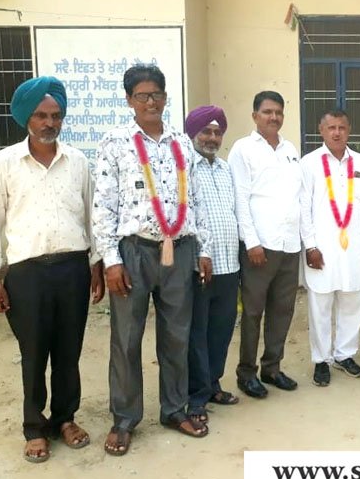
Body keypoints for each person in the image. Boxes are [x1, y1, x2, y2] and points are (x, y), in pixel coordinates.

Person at [0, 76, 104, 463]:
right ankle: (34, 427)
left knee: (69, 351)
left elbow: (91, 216)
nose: (50, 123)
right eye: (41, 115)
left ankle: (65, 418)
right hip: (26, 273)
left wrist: (96, 265)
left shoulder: (77, 161)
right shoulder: (5, 163)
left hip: (72, 268)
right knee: (33, 352)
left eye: (56, 115)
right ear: (26, 118)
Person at [93, 64, 212, 456]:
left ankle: (174, 409)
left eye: (156, 94)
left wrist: (204, 249)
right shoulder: (115, 142)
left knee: (177, 335)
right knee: (126, 338)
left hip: (180, 249)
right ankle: (124, 419)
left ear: (165, 97)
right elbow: (103, 205)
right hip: (134, 252)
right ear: (129, 100)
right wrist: (111, 260)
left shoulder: (181, 142)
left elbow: (195, 199)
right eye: (142, 95)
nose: (150, 102)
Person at [229, 91, 302, 397]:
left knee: (282, 311)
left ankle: (272, 367)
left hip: (289, 245)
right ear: (255, 115)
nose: (274, 117)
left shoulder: (290, 149)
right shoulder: (243, 149)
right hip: (260, 247)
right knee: (253, 312)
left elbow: (297, 196)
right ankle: (246, 373)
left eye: (279, 112)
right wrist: (252, 242)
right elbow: (240, 198)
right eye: (268, 112)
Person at [300, 110, 360, 387]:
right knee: (320, 303)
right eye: (331, 127)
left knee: (354, 298)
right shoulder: (309, 163)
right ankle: (321, 360)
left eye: (342, 127)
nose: (337, 132)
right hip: (322, 246)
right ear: (321, 130)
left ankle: (345, 354)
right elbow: (304, 208)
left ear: (349, 129)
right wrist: (310, 246)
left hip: (354, 243)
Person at [184, 106, 241, 424]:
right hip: (199, 265)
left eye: (218, 132)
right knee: (198, 332)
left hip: (228, 264)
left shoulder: (224, 168)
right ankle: (196, 396)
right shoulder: (184, 167)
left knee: (221, 329)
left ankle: (213, 383)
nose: (212, 137)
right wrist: (199, 254)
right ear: (193, 133)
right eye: (206, 131)